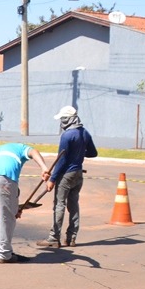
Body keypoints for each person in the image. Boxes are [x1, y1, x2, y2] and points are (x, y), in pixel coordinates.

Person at [0, 143, 51, 263]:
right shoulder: (22, 148)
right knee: (6, 217)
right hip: (6, 177)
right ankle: (4, 254)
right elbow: (34, 152)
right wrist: (44, 168)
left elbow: (12, 194)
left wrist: (14, 207)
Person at [37, 105, 98, 248]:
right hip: (78, 174)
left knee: (59, 205)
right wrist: (78, 154)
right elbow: (93, 153)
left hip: (66, 175)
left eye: (62, 119)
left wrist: (52, 179)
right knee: (74, 205)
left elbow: (62, 160)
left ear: (68, 120)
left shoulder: (67, 136)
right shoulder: (85, 133)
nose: (61, 122)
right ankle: (71, 238)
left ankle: (54, 238)